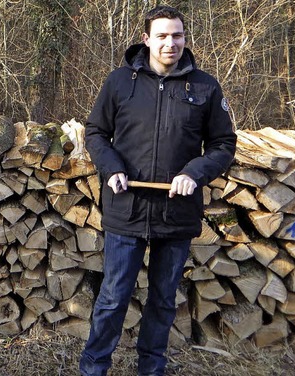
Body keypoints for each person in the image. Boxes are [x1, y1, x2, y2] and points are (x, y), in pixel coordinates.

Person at [80, 5, 236, 376]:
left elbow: (223, 144)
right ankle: (93, 368)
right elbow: (95, 133)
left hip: (176, 212)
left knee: (163, 300)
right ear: (146, 39)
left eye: (177, 35)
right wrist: (112, 167)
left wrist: (194, 173)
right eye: (163, 36)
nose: (171, 43)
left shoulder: (204, 86)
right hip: (126, 208)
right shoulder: (120, 82)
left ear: (185, 38)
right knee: (113, 298)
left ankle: (151, 369)